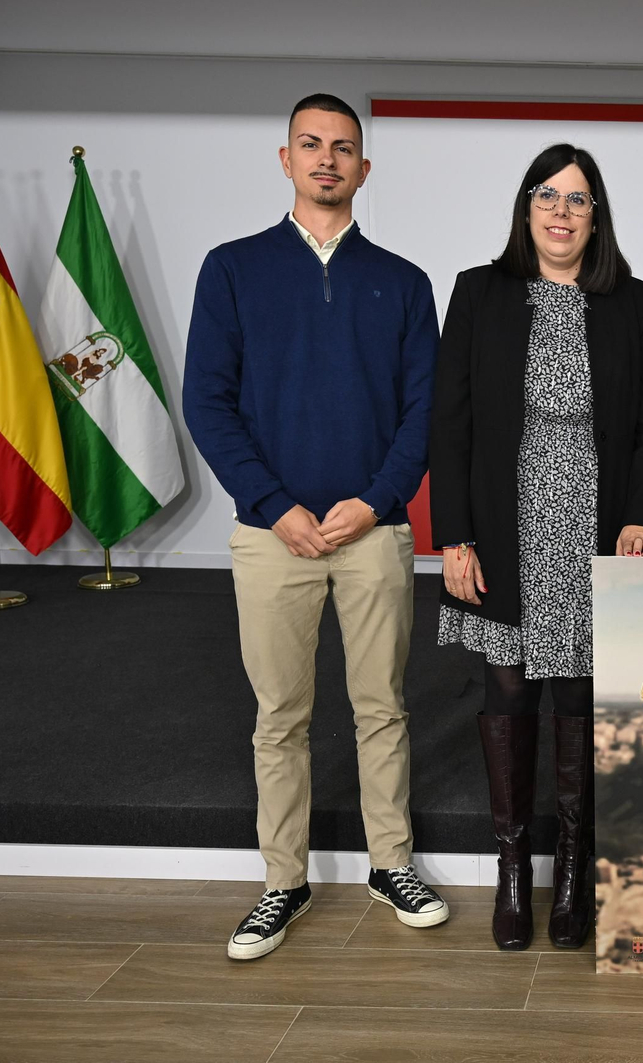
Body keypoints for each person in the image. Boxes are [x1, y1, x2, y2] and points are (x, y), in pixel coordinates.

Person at [184, 93, 447, 961]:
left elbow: (425, 413)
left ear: (364, 170)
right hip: (272, 535)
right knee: (280, 716)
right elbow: (207, 404)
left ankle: (391, 864)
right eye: (311, 145)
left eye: (343, 148)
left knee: (382, 708)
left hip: (373, 532)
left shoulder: (404, 282)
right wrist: (275, 506)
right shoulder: (232, 269)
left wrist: (375, 502)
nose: (327, 159)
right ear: (286, 159)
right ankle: (282, 883)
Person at [430, 144, 643, 951]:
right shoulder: (480, 292)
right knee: (508, 694)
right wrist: (455, 536)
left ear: (596, 214)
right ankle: (513, 868)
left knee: (577, 695)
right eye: (548, 196)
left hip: (594, 522)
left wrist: (642, 515)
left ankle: (572, 865)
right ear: (526, 207)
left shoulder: (630, 301)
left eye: (577, 200)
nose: (561, 212)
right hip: (503, 521)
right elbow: (452, 423)